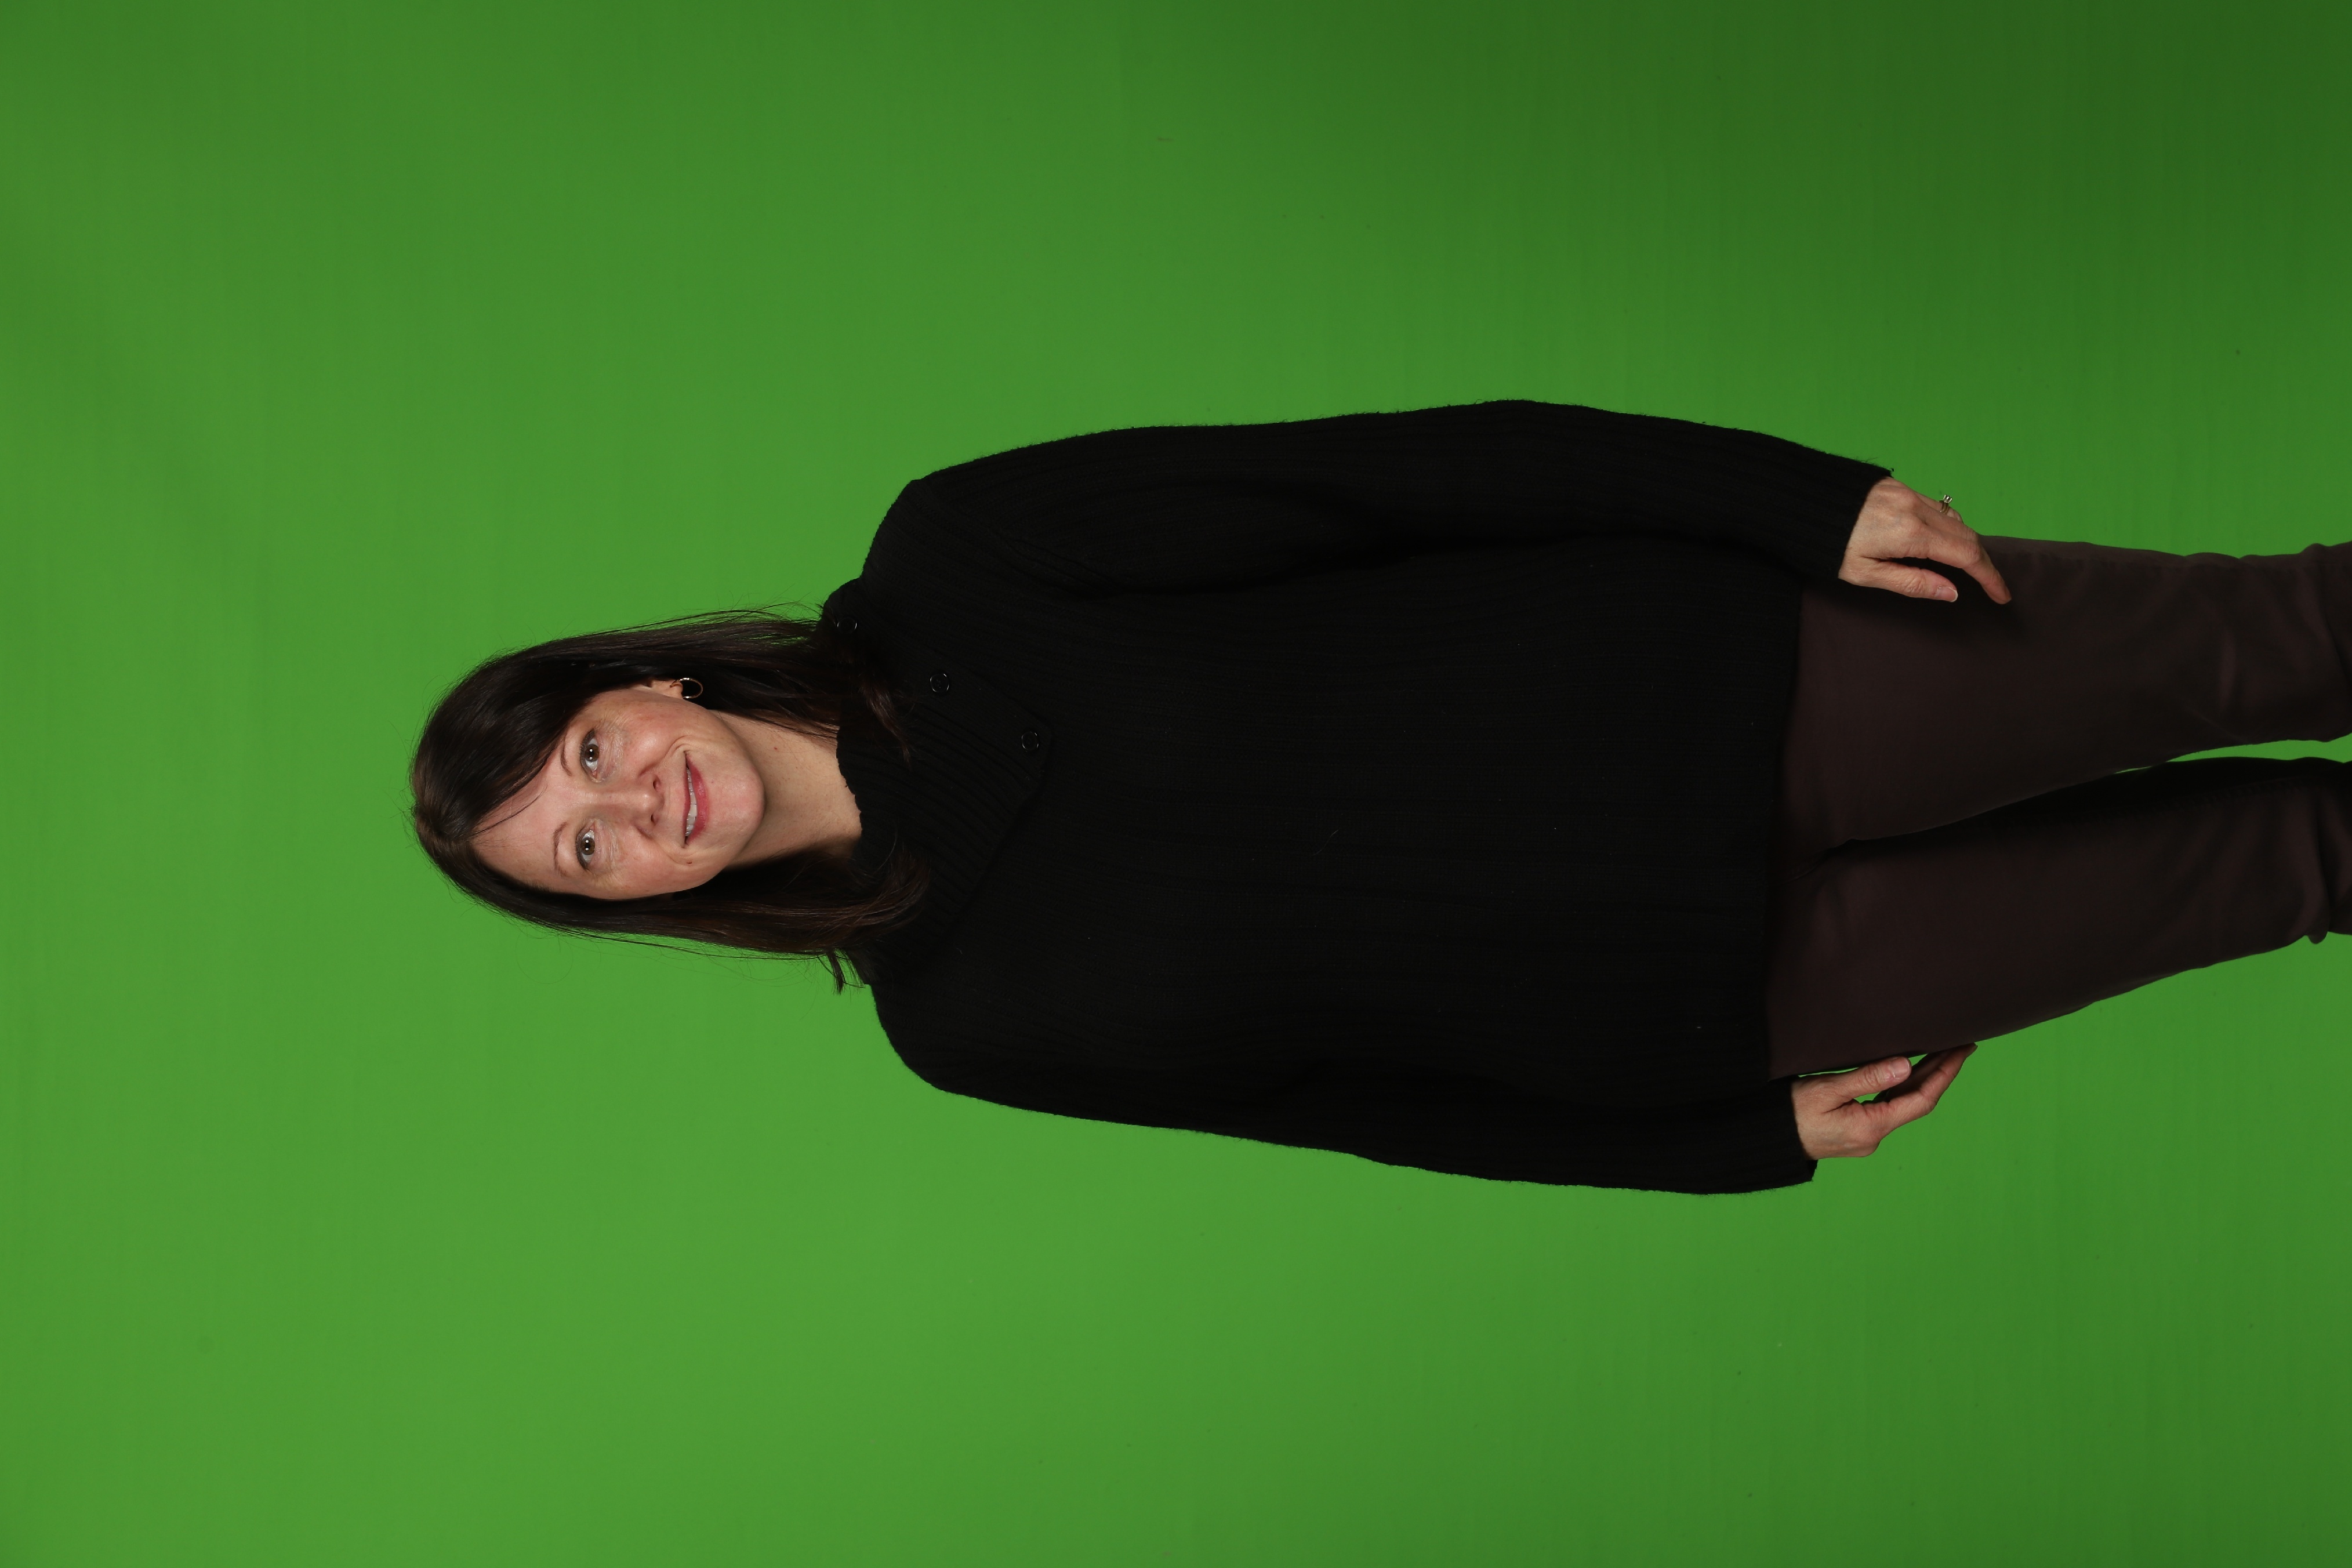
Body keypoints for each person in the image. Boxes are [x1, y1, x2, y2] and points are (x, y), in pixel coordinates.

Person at [410, 401, 2352, 1193]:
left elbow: (1408, 476)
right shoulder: (963, 1024)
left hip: (1757, 677)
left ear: (641, 681)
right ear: (632, 911)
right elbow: (1368, 1111)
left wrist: (1789, 502)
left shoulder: (967, 561)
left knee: (2287, 639)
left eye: (588, 753)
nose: (632, 808)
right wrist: (1730, 1141)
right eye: (583, 854)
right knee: (2295, 865)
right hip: (1732, 997)